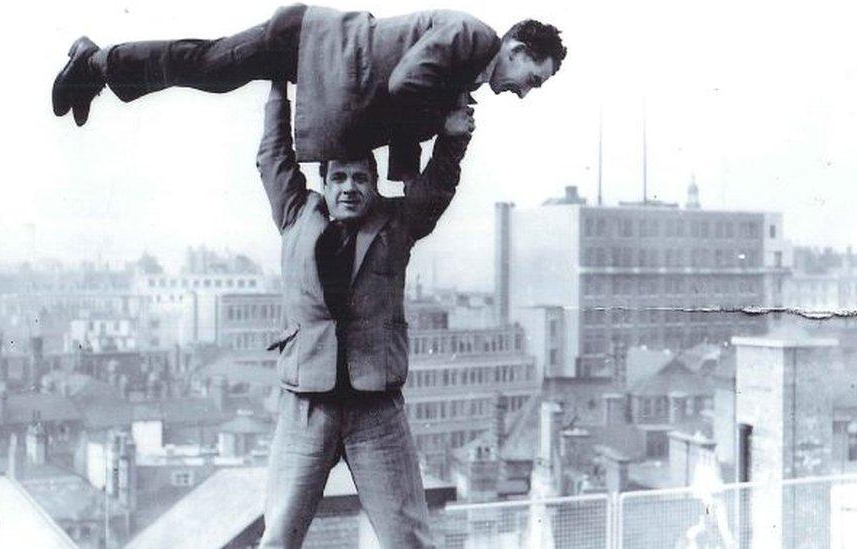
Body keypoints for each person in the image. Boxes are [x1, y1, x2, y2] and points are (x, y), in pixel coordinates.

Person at [254, 78, 472, 548]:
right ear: (324, 183)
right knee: (278, 537)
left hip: (376, 408)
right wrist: (277, 89)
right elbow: (274, 157)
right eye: (339, 178)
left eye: (360, 178)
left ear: (374, 185)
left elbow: (437, 186)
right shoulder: (296, 214)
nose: (349, 188)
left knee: (407, 538)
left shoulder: (397, 224)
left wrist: (454, 136)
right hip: (306, 403)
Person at [52, 3, 565, 181]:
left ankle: (95, 65)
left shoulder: (468, 67)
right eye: (533, 80)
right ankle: (94, 62)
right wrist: (441, 125)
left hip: (323, 60)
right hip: (310, 41)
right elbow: (406, 84)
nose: (525, 93)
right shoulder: (472, 36)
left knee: (212, 66)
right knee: (212, 66)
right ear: (516, 48)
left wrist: (406, 176)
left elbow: (409, 97)